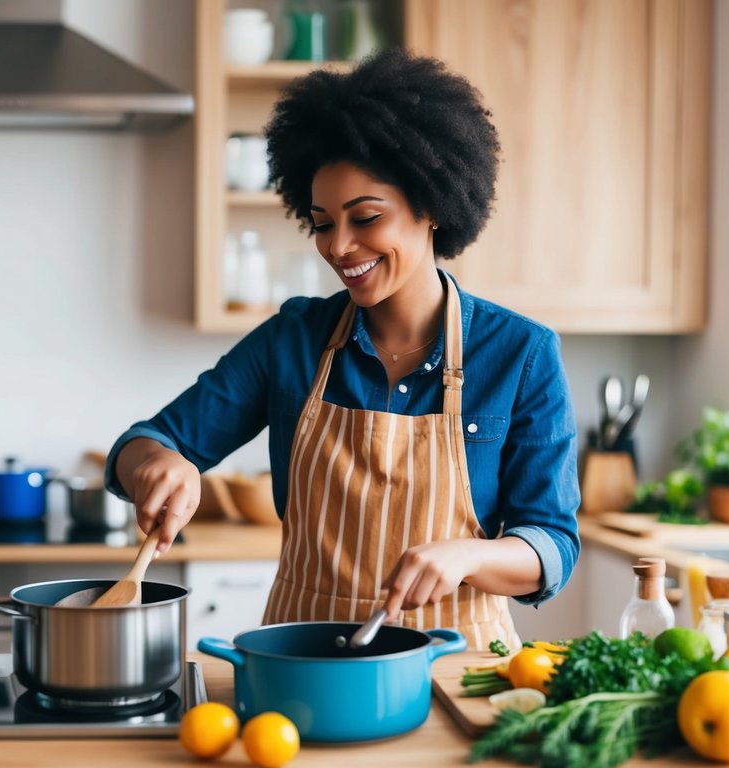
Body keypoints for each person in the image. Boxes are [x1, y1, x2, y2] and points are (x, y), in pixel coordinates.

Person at [105, 49, 580, 648]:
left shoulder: (520, 353)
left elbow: (553, 544)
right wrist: (157, 464)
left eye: (366, 218)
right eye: (323, 223)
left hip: (459, 668)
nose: (340, 247)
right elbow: (148, 440)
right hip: (303, 661)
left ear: (431, 205)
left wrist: (468, 557)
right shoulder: (294, 340)